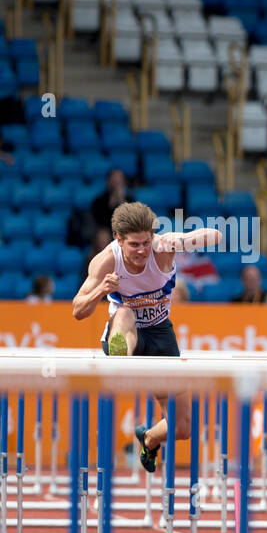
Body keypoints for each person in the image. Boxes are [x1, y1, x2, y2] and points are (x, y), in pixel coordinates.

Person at [71, 201, 222, 471]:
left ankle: (149, 437)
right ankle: (123, 360)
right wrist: (100, 291)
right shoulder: (107, 260)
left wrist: (184, 240)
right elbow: (78, 311)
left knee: (182, 427)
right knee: (126, 313)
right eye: (134, 245)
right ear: (119, 239)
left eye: (145, 242)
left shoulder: (162, 248)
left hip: (160, 332)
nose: (142, 250)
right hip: (125, 327)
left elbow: (217, 236)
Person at [90, 168, 131, 234]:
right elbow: (99, 223)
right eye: (114, 180)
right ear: (108, 181)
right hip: (107, 233)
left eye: (119, 180)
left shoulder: (130, 200)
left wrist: (122, 202)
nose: (117, 183)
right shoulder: (99, 201)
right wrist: (111, 205)